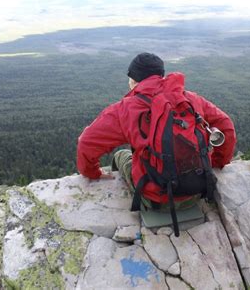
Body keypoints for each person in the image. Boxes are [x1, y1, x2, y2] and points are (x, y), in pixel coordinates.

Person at [76, 52, 236, 212]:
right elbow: (225, 125)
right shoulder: (190, 99)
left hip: (157, 200)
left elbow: (87, 142)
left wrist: (92, 173)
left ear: (133, 81)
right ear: (161, 76)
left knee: (121, 155)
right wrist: (216, 162)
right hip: (197, 192)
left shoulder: (125, 109)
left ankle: (127, 190)